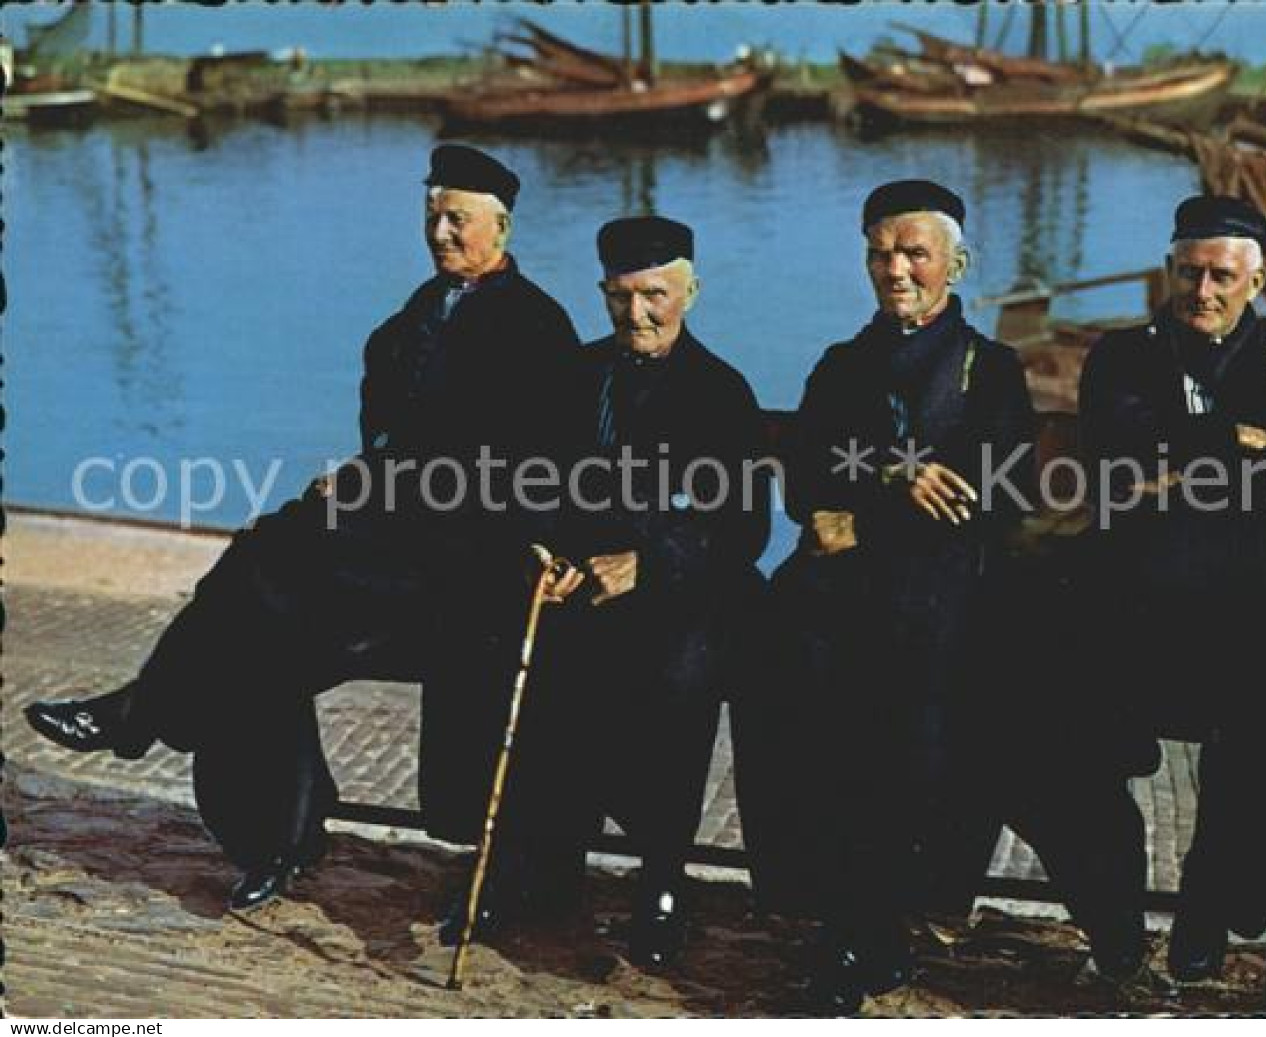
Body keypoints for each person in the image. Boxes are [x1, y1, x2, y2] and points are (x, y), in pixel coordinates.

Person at [26, 145, 583, 913]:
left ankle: (143, 712)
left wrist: (388, 484)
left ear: (502, 224)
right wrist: (367, 478)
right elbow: (391, 438)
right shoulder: (415, 316)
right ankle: (276, 839)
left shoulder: (537, 330)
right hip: (397, 540)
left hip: (469, 561)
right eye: (433, 217)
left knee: (260, 573)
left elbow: (525, 470)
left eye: (459, 219)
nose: (442, 233)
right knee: (258, 609)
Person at [420, 215, 771, 968]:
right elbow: (527, 489)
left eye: (654, 296)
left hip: (685, 591)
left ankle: (663, 878)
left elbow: (742, 530)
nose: (636, 315)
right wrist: (542, 553)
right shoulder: (573, 378)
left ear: (689, 290)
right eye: (619, 298)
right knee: (505, 637)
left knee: (678, 672)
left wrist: (648, 567)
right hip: (581, 583)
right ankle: (532, 865)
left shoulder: (722, 394)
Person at [734, 180, 1037, 1014]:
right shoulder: (842, 365)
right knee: (782, 665)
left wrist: (862, 515)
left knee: (907, 693)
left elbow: (994, 493)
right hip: (840, 590)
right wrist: (893, 475)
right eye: (880, 252)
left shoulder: (989, 371)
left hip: (942, 589)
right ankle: (830, 907)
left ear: (955, 264)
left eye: (914, 253)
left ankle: (869, 923)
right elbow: (802, 483)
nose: (895, 269)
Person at [1076, 194, 1266, 984]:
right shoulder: (1122, 357)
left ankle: (1217, 894)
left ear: (1257, 279)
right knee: (1052, 705)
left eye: (1219, 276)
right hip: (1142, 602)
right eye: (1186, 273)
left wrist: (1178, 459)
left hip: (1243, 603)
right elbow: (1113, 456)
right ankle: (1126, 920)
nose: (1200, 292)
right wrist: (1229, 442)